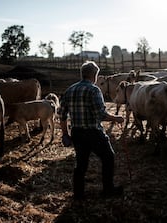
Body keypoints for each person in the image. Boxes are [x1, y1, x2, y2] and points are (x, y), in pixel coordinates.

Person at [59, 61, 124, 200]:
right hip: (93, 133)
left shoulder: (70, 90)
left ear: (82, 74)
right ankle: (108, 189)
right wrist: (116, 118)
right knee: (108, 157)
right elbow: (101, 114)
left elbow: (62, 115)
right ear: (94, 75)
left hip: (77, 132)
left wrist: (65, 134)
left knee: (81, 164)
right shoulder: (94, 90)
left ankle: (78, 194)